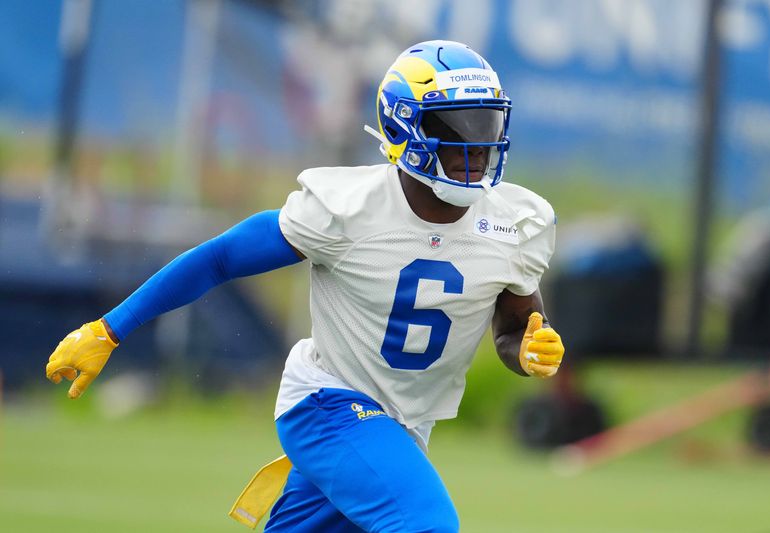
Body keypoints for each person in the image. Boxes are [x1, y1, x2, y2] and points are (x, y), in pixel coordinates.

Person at [45, 40, 565, 533]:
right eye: (456, 126)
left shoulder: (517, 222)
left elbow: (514, 326)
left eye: (487, 123)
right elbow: (221, 257)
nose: (476, 145)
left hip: (404, 426)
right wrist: (109, 330)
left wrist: (528, 350)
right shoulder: (346, 209)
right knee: (427, 524)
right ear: (405, 129)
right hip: (329, 403)